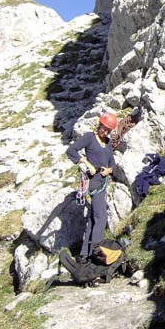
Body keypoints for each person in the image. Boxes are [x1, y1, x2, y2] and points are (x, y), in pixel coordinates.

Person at [67, 112, 117, 262]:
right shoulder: (89, 137)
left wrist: (108, 170)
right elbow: (71, 150)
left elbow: (112, 164)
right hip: (94, 182)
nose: (105, 131)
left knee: (93, 219)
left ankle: (84, 255)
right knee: (101, 217)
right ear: (99, 124)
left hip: (103, 181)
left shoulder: (108, 143)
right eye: (104, 128)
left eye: (108, 130)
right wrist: (87, 164)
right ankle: (97, 251)